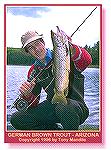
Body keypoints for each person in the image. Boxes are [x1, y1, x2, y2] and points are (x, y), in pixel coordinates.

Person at [10, 30, 92, 130]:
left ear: (43, 43)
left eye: (37, 44)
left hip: (76, 107)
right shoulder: (33, 71)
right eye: (31, 48)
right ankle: (53, 131)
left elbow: (86, 61)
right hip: (53, 105)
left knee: (64, 107)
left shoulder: (66, 55)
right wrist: (27, 95)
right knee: (17, 118)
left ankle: (71, 140)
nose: (36, 49)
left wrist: (71, 47)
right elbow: (34, 103)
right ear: (28, 52)